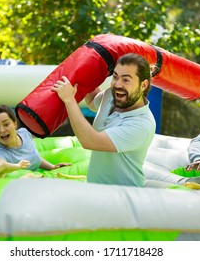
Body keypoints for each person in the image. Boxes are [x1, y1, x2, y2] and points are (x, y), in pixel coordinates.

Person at [51, 53, 156, 187]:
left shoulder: (141, 124)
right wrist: (86, 72)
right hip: (96, 189)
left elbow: (90, 141)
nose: (118, 84)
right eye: (115, 77)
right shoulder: (112, 96)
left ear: (143, 85)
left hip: (123, 196)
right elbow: (92, 102)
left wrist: (69, 100)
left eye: (126, 80)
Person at [0, 105, 70, 171]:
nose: (2, 130)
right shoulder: (1, 152)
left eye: (6, 124)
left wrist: (52, 167)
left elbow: (34, 158)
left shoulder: (24, 133)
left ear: (15, 124)